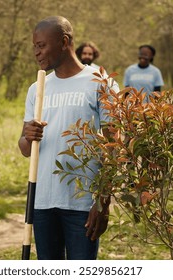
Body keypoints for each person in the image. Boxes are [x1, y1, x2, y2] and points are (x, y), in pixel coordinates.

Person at [18, 16, 114, 260]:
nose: (37, 53)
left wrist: (102, 203)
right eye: (34, 47)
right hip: (42, 203)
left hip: (82, 204)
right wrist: (28, 137)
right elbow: (25, 149)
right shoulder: (37, 88)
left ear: (64, 42)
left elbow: (116, 147)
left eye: (41, 45)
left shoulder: (99, 82)